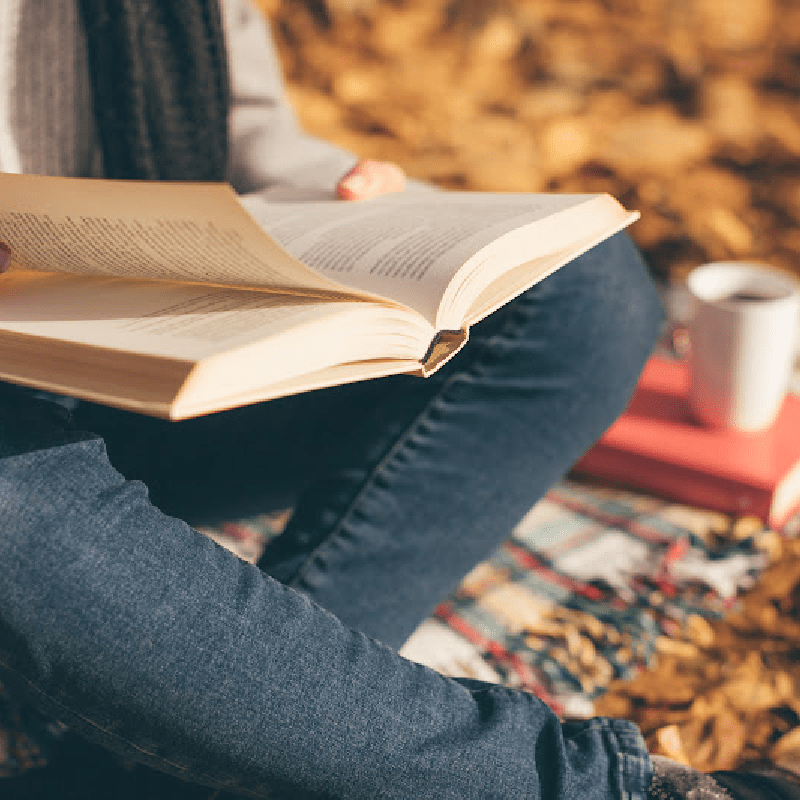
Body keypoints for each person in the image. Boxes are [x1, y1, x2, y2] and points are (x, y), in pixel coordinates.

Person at [1, 1, 798, 798]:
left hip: (141, 342)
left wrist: (337, 189)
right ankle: (596, 790)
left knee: (584, 297)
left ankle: (188, 754)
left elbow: (247, 120)